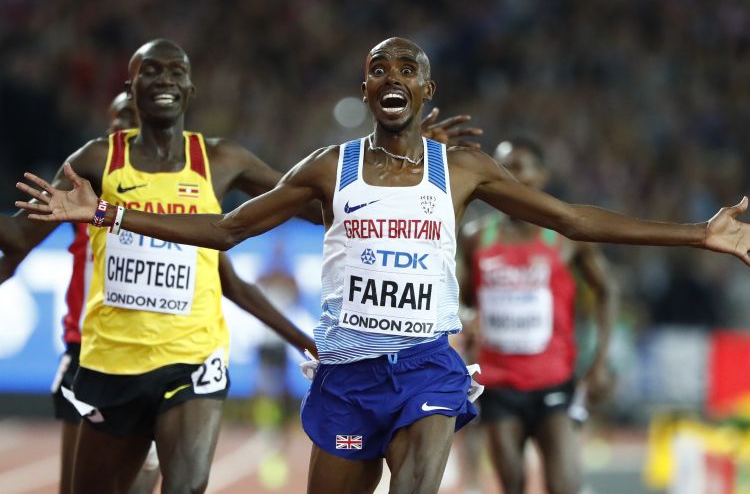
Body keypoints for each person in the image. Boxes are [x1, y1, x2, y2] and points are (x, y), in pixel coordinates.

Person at [16, 36, 750, 494]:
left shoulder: (466, 170)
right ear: (365, 88)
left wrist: (698, 234)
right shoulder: (326, 167)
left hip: (426, 366)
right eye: (379, 71)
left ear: (427, 89)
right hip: (348, 376)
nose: (392, 81)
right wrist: (105, 213)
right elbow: (224, 232)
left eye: (407, 71)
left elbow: (573, 218)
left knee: (420, 474)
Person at [3, 37, 479, 494]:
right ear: (128, 87)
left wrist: (401, 171)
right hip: (110, 359)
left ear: (191, 89)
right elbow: (23, 237)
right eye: (150, 71)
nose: (164, 80)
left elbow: (314, 206)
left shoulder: (219, 158)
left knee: (187, 485)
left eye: (176, 72)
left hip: (194, 357)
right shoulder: (97, 160)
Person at [0, 91, 319, 494]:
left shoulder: (184, 196)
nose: (127, 128)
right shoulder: (84, 192)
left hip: (184, 360)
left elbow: (232, 281)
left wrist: (305, 342)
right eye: (119, 120)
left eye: (134, 119)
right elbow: (15, 248)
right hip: (97, 357)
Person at [459, 136, 616, 494]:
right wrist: (466, 314)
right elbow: (459, 299)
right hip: (497, 383)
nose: (508, 176)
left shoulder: (566, 237)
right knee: (511, 484)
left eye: (518, 167)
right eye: (501, 168)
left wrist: (600, 360)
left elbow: (607, 290)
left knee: (564, 486)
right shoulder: (476, 237)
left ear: (541, 176)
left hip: (554, 382)